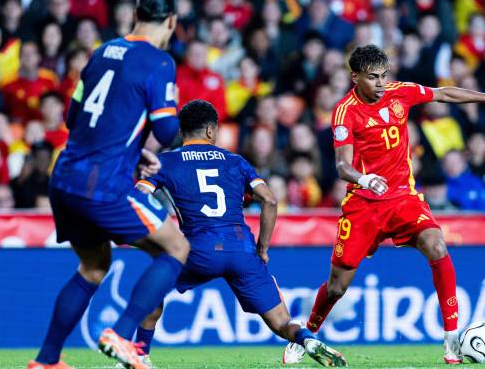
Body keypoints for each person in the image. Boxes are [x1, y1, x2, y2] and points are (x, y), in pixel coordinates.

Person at [282, 45, 485, 365]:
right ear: (355, 77)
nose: (381, 83)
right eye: (372, 77)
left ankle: (451, 338)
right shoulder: (345, 111)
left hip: (403, 198)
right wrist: (365, 180)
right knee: (338, 287)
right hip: (364, 204)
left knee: (437, 245)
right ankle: (307, 334)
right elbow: (342, 166)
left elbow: (444, 94)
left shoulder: (402, 92)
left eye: (384, 76)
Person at [28, 0, 189, 369]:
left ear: (135, 13)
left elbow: (73, 119)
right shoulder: (159, 62)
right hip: (102, 185)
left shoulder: (101, 52)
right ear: (171, 21)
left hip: (64, 177)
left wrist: (132, 152)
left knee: (94, 266)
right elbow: (167, 132)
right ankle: (121, 332)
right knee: (177, 248)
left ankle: (46, 361)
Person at [133, 100, 347, 368]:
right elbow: (269, 201)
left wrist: (153, 240)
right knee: (281, 322)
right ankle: (305, 338)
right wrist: (263, 248)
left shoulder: (165, 162)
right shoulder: (235, 160)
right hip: (242, 250)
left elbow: (138, 199)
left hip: (197, 250)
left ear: (182, 130)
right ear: (211, 131)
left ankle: (139, 355)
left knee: (151, 291)